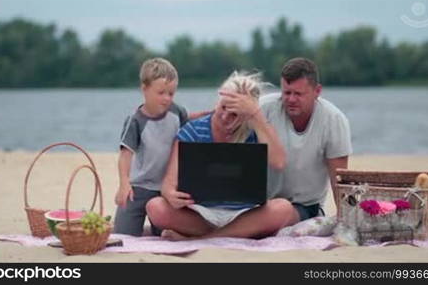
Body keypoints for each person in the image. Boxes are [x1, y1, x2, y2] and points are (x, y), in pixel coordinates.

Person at [145, 71, 297, 241]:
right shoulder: (194, 130)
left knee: (284, 208)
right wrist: (171, 195)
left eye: (234, 114)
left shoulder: (255, 131)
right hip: (201, 214)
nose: (225, 117)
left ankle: (202, 238)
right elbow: (168, 184)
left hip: (245, 214)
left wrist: (256, 115)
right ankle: (230, 234)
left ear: (247, 114)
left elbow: (279, 162)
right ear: (217, 101)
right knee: (155, 207)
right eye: (223, 107)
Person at [113, 57, 207, 236]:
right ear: (144, 89)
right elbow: (125, 156)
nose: (166, 98)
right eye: (161, 92)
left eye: (171, 93)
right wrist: (124, 184)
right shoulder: (135, 121)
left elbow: (189, 120)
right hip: (138, 188)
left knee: (163, 236)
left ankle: (155, 229)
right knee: (122, 236)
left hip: (166, 190)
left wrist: (208, 114)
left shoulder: (176, 111)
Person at [260, 57, 352, 221]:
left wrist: (347, 222)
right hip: (261, 202)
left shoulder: (334, 120)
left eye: (298, 94)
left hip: (305, 208)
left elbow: (340, 182)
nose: (291, 99)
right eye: (286, 93)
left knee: (280, 211)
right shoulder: (263, 109)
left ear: (317, 91)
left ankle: (216, 236)